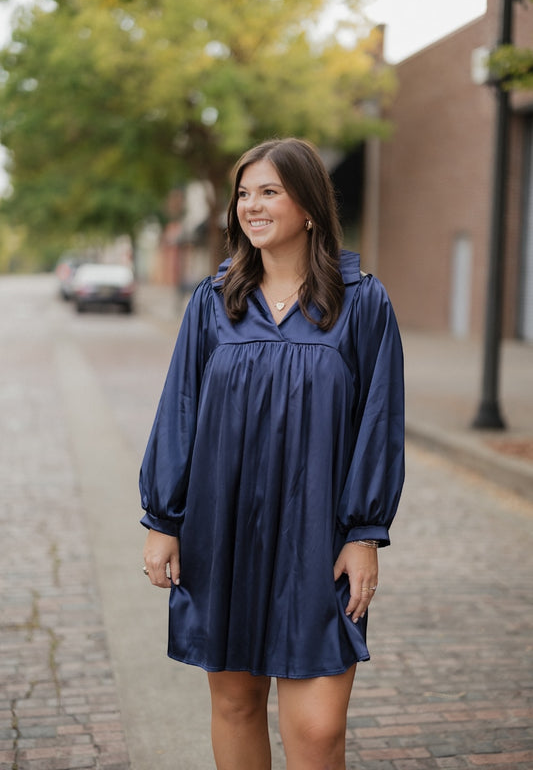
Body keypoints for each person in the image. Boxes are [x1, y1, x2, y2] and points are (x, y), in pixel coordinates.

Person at [140, 137, 405, 770]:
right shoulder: (215, 301)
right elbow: (179, 410)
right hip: (222, 530)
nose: (250, 207)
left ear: (310, 207)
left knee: (316, 731)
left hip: (320, 536)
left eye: (269, 192)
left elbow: (379, 420)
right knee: (235, 706)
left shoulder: (360, 302)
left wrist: (364, 533)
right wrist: (163, 521)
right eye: (243, 194)